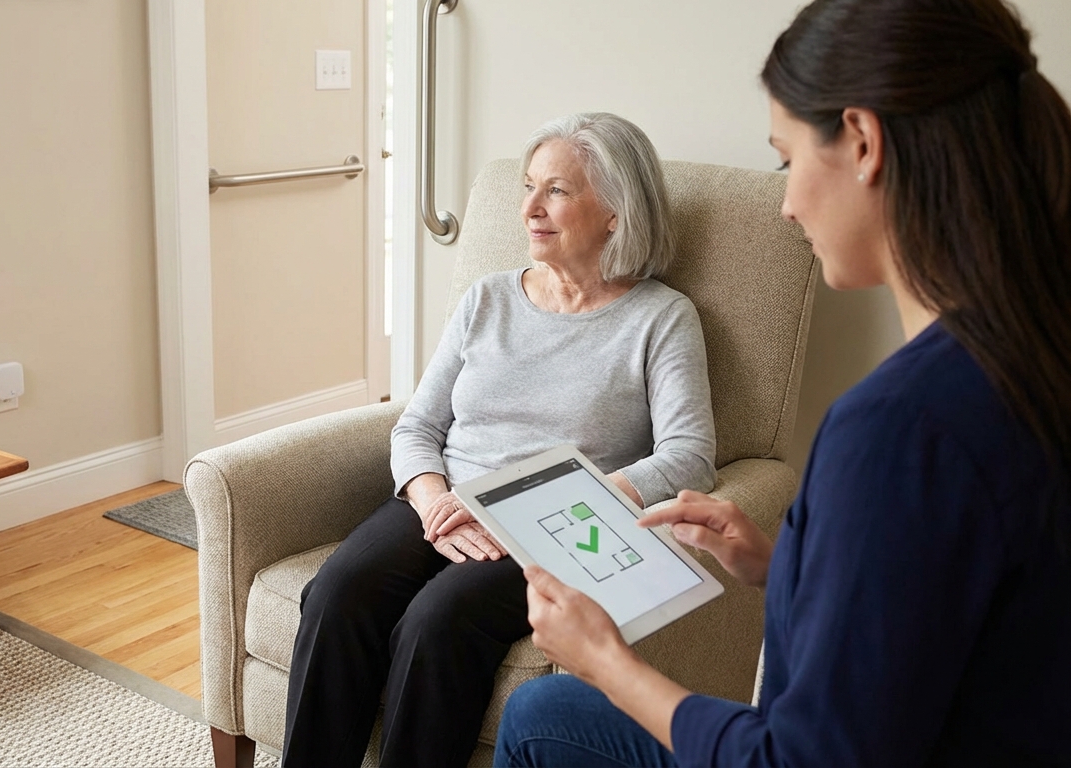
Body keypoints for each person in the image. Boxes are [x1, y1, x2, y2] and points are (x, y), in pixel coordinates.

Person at [493, 0, 1071, 766]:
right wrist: (786, 565)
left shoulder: (898, 427)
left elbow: (802, 757)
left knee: (545, 711)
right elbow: (954, 605)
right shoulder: (1033, 351)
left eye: (788, 160)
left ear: (863, 142)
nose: (789, 205)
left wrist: (608, 662)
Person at [279, 112, 717, 768]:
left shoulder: (661, 318)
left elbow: (690, 455)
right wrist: (430, 501)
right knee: (338, 592)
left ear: (617, 213)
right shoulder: (487, 299)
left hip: (556, 524)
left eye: (558, 191)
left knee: (435, 623)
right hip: (444, 501)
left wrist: (542, 506)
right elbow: (419, 427)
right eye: (528, 186)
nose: (531, 209)